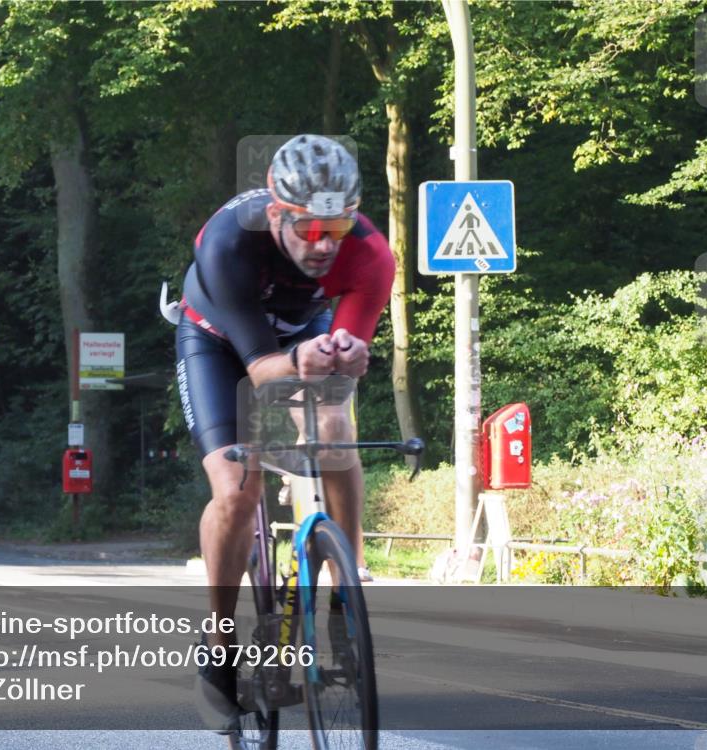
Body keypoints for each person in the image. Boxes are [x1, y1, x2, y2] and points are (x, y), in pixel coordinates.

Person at [174, 134, 395, 731]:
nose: (323, 245)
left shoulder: (371, 254)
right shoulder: (227, 242)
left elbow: (344, 358)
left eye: (338, 230)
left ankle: (344, 596)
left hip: (303, 332)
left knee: (333, 427)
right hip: (219, 342)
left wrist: (346, 353)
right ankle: (219, 646)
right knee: (234, 491)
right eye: (306, 229)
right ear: (277, 215)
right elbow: (263, 372)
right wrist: (305, 362)